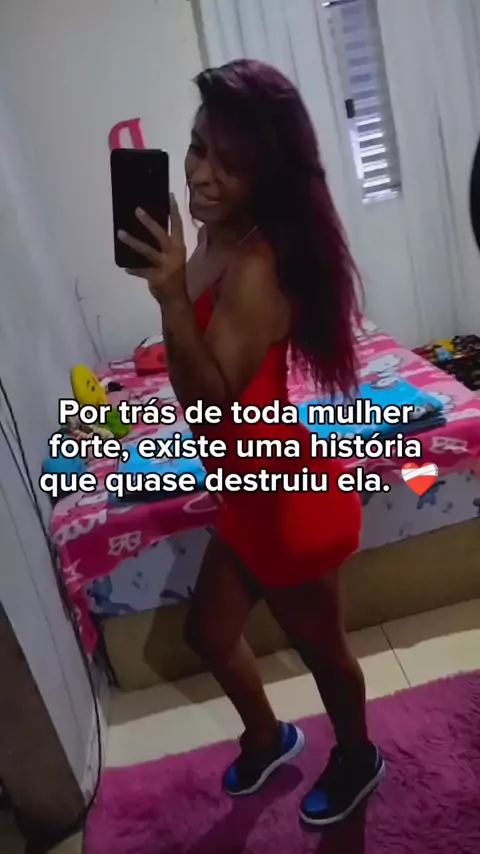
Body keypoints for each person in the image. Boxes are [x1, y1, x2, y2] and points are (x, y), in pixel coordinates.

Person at [118, 58, 385, 827]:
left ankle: (358, 756)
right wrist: (174, 294)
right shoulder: (209, 239)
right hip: (249, 490)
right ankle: (268, 739)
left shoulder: (258, 267)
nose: (201, 173)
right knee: (208, 633)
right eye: (198, 148)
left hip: (290, 501)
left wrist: (171, 298)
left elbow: (209, 401)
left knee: (323, 652)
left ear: (264, 176)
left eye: (228, 164)